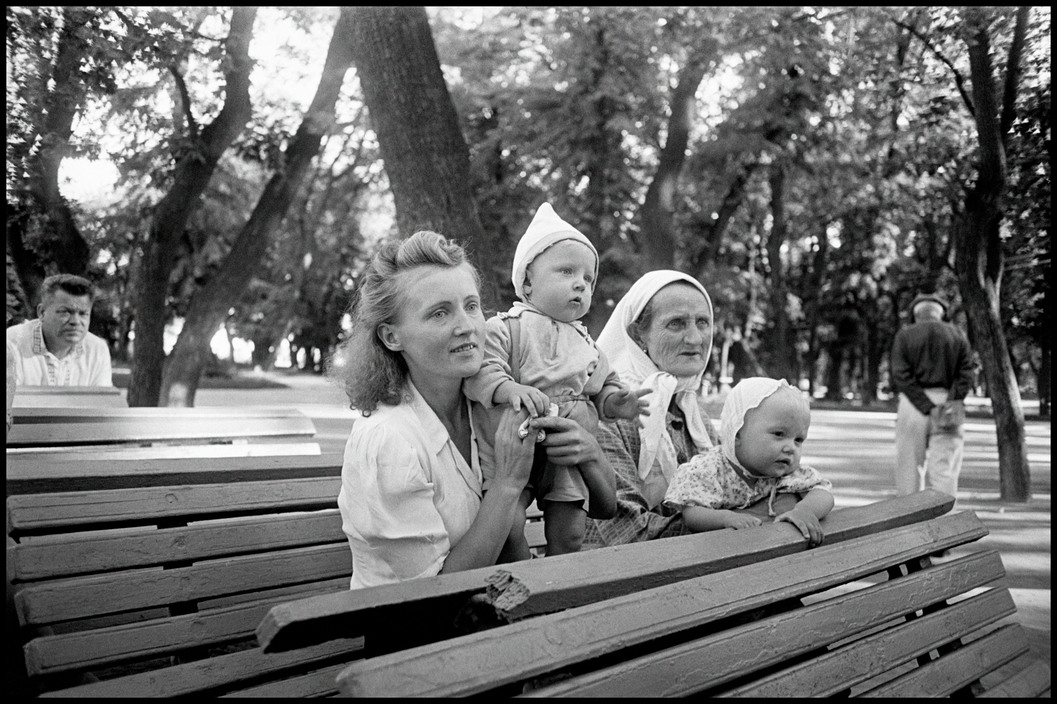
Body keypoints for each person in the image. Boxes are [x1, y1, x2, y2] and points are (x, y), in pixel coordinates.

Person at [330, 230, 610, 589]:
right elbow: (431, 597)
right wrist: (508, 485)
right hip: (417, 637)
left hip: (498, 615)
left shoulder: (489, 403)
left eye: (472, 306)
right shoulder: (387, 441)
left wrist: (589, 453)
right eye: (439, 313)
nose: (467, 327)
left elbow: (604, 511)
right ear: (391, 337)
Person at [465, 202, 637, 558]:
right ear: (527, 280)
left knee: (571, 531)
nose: (580, 284)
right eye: (566, 272)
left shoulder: (587, 344)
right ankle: (521, 575)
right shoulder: (507, 328)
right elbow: (481, 371)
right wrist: (511, 388)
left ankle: (560, 581)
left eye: (588, 279)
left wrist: (615, 400)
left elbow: (602, 384)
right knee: (509, 527)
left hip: (564, 454)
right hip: (512, 447)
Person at [663, 377, 834, 546]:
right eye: (779, 434)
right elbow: (692, 512)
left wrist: (804, 510)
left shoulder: (787, 473)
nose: (790, 448)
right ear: (737, 433)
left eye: (798, 439)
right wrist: (726, 518)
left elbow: (823, 493)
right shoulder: (710, 469)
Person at [890, 291, 975, 500]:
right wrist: (947, 403)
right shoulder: (957, 335)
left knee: (909, 467)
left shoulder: (905, 335)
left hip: (913, 405)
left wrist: (926, 405)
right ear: (941, 314)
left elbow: (901, 375)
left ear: (915, 315)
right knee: (945, 469)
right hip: (948, 401)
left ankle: (910, 520)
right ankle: (944, 523)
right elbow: (966, 374)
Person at [6, 273, 113, 387]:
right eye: (65, 312)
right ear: (42, 312)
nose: (75, 321)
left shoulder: (97, 350)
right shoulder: (12, 344)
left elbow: (101, 403)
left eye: (83, 314)